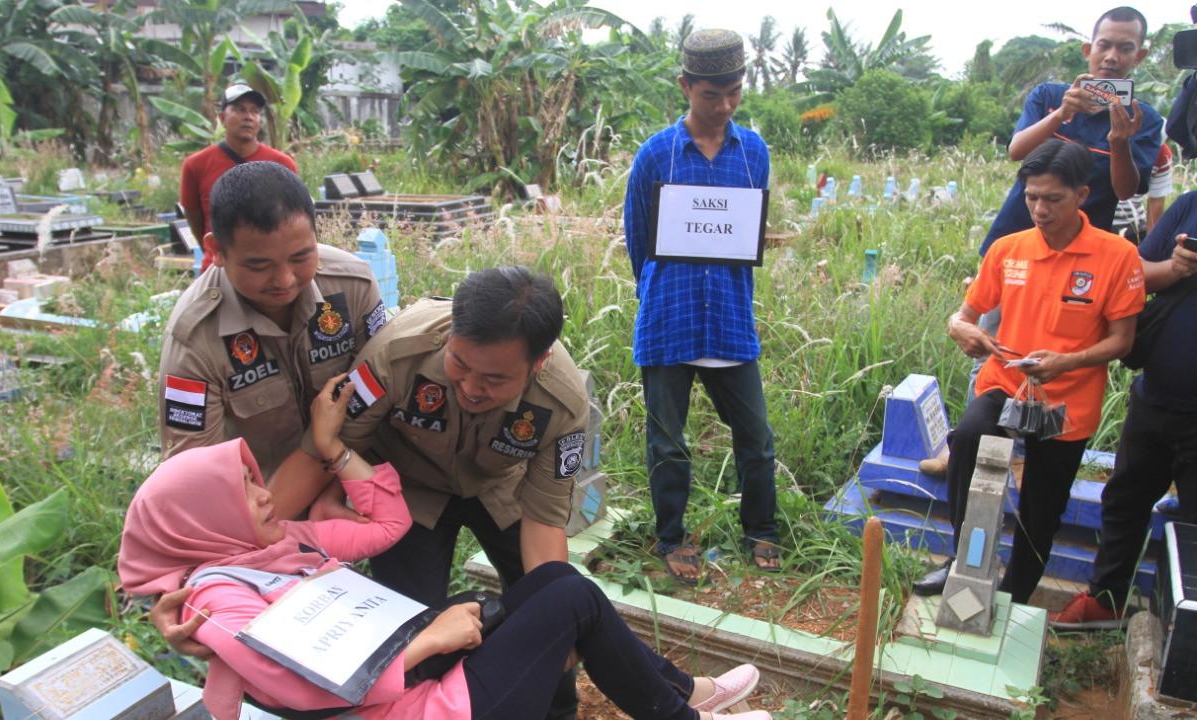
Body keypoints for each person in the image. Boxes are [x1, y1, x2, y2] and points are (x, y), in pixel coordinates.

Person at [118, 379, 769, 720]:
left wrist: (334, 449)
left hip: (413, 686)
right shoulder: (213, 596)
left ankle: (684, 693)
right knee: (568, 595)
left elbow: (386, 525)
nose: (267, 497)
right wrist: (426, 642)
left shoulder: (281, 547)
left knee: (546, 588)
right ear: (201, 523)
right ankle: (686, 711)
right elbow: (299, 686)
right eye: (245, 493)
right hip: (421, 707)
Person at [310, 266, 589, 718]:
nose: (471, 388)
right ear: (450, 336)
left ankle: (556, 711)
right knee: (410, 623)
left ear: (538, 363)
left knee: (546, 610)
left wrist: (555, 619)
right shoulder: (395, 353)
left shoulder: (561, 400)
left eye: (495, 380)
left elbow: (545, 522)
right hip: (409, 489)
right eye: (459, 363)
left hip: (499, 486)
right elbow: (344, 441)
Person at [917, 6, 1164, 481]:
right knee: (992, 342)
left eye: (1125, 48)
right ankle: (965, 448)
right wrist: (1064, 113)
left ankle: (1028, 452)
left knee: (1059, 352)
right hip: (1016, 242)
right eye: (1105, 45)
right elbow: (1017, 151)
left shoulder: (1143, 119)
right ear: (1086, 49)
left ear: (1141, 55)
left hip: (1086, 255)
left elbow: (1128, 187)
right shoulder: (1050, 95)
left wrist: (1119, 138)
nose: (1112, 57)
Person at [913, 140, 1146, 602]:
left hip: (1068, 398)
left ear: (1082, 195)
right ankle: (963, 557)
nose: (1039, 209)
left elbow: (1123, 341)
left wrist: (1068, 361)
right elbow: (964, 314)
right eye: (1031, 197)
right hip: (1006, 382)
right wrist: (961, 329)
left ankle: (1016, 593)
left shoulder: (1115, 257)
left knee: (1043, 505)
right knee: (969, 437)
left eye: (1052, 199)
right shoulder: (1008, 250)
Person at [622, 28, 781, 584]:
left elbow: (747, 230)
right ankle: (671, 537)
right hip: (670, 319)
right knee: (668, 442)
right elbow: (638, 239)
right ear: (686, 86)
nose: (724, 105)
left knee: (756, 439)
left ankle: (762, 528)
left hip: (732, 321)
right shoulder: (657, 153)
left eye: (734, 92)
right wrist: (661, 290)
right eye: (711, 94)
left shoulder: (752, 152)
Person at [158, 161, 384, 519]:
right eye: (259, 266)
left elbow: (374, 403)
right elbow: (196, 472)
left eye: (301, 256)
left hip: (351, 473)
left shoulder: (352, 287)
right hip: (261, 506)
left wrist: (337, 490)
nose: (284, 279)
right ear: (216, 250)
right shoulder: (195, 337)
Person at [1051, 189, 1197, 629]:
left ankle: (1181, 626)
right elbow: (1136, 274)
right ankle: (1106, 599)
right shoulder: (1191, 205)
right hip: (1156, 396)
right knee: (1125, 497)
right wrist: (1175, 268)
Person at [179, 83, 299, 270]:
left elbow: (294, 218)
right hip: (218, 268)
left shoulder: (282, 164)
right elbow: (195, 218)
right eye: (239, 109)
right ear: (222, 118)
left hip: (271, 269)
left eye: (254, 111)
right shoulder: (196, 165)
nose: (248, 117)